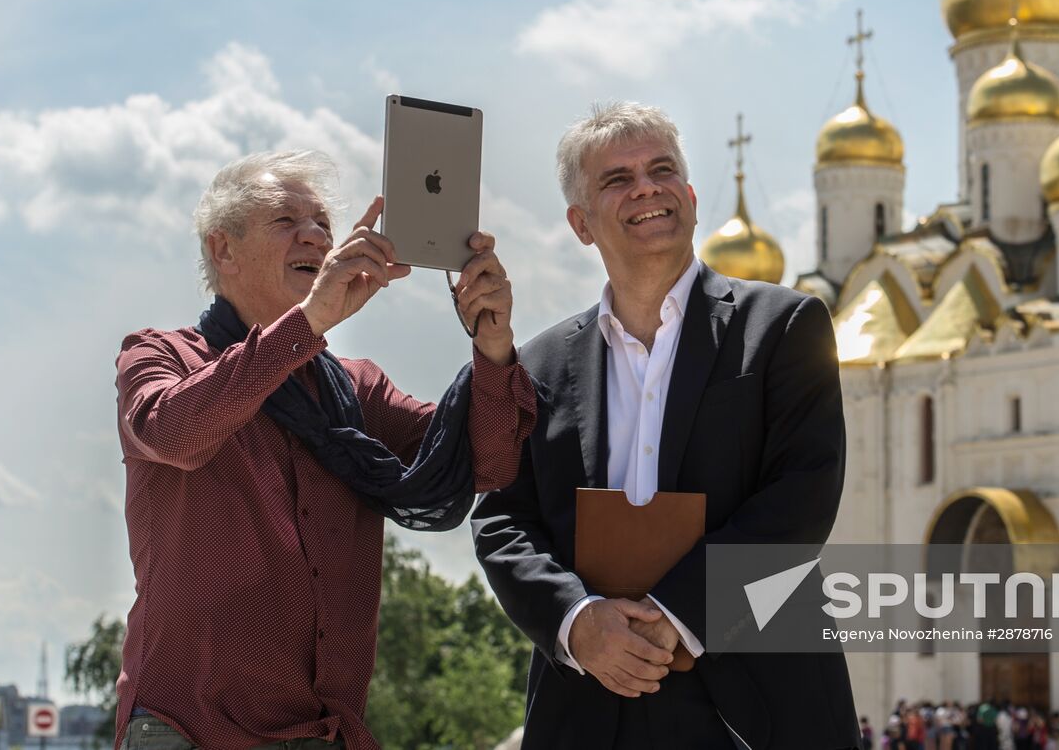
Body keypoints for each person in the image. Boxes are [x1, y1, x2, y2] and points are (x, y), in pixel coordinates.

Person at [113, 151, 536, 750]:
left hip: (325, 733)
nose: (314, 235)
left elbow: (486, 464)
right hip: (190, 729)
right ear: (223, 248)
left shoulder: (356, 389)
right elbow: (175, 434)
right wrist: (306, 323)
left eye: (323, 225)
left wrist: (493, 344)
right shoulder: (161, 356)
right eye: (286, 220)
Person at [472, 103, 858, 748]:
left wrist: (677, 613)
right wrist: (576, 621)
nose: (646, 188)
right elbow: (501, 517)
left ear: (691, 196)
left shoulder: (785, 327)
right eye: (617, 179)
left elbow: (803, 492)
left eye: (662, 170)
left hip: (757, 697)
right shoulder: (538, 365)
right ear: (581, 224)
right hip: (591, 698)